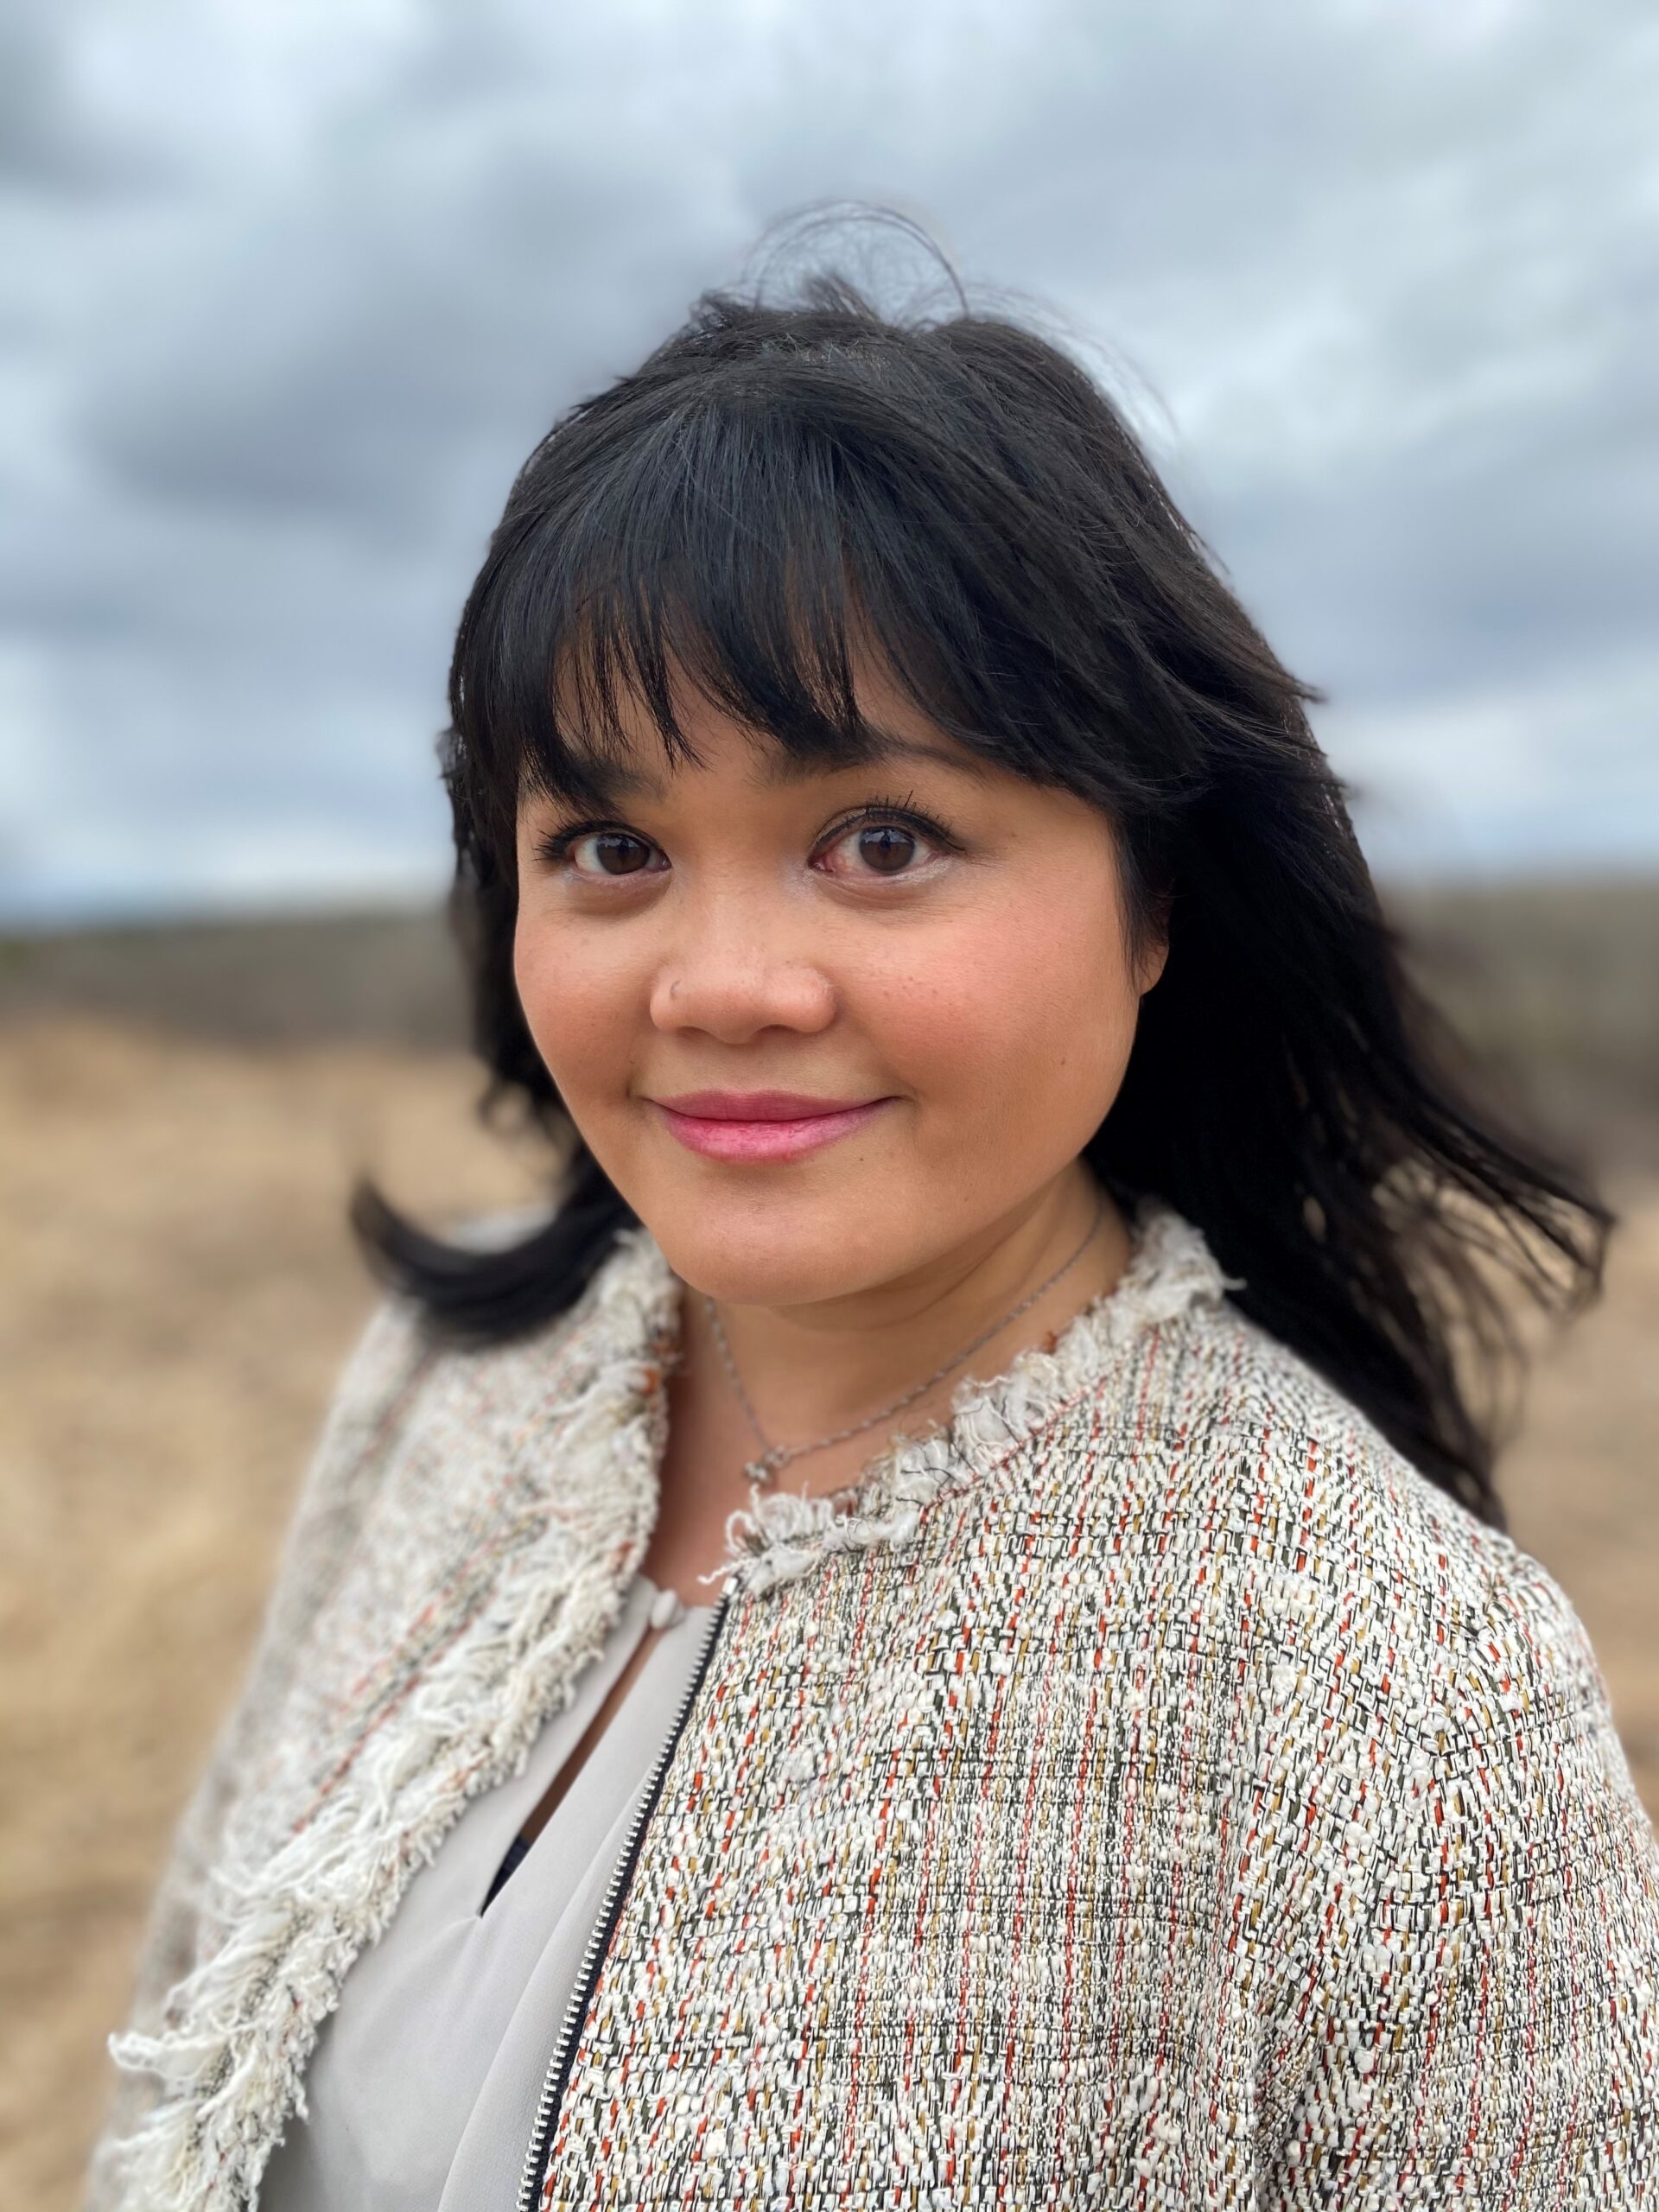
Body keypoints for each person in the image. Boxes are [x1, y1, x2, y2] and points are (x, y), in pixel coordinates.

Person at [86, 219, 1659, 2211]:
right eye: (611, 844)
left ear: (1157, 897)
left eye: (881, 838)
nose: (721, 983)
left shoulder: (1389, 1688)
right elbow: (176, 2050)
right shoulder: (452, 1379)